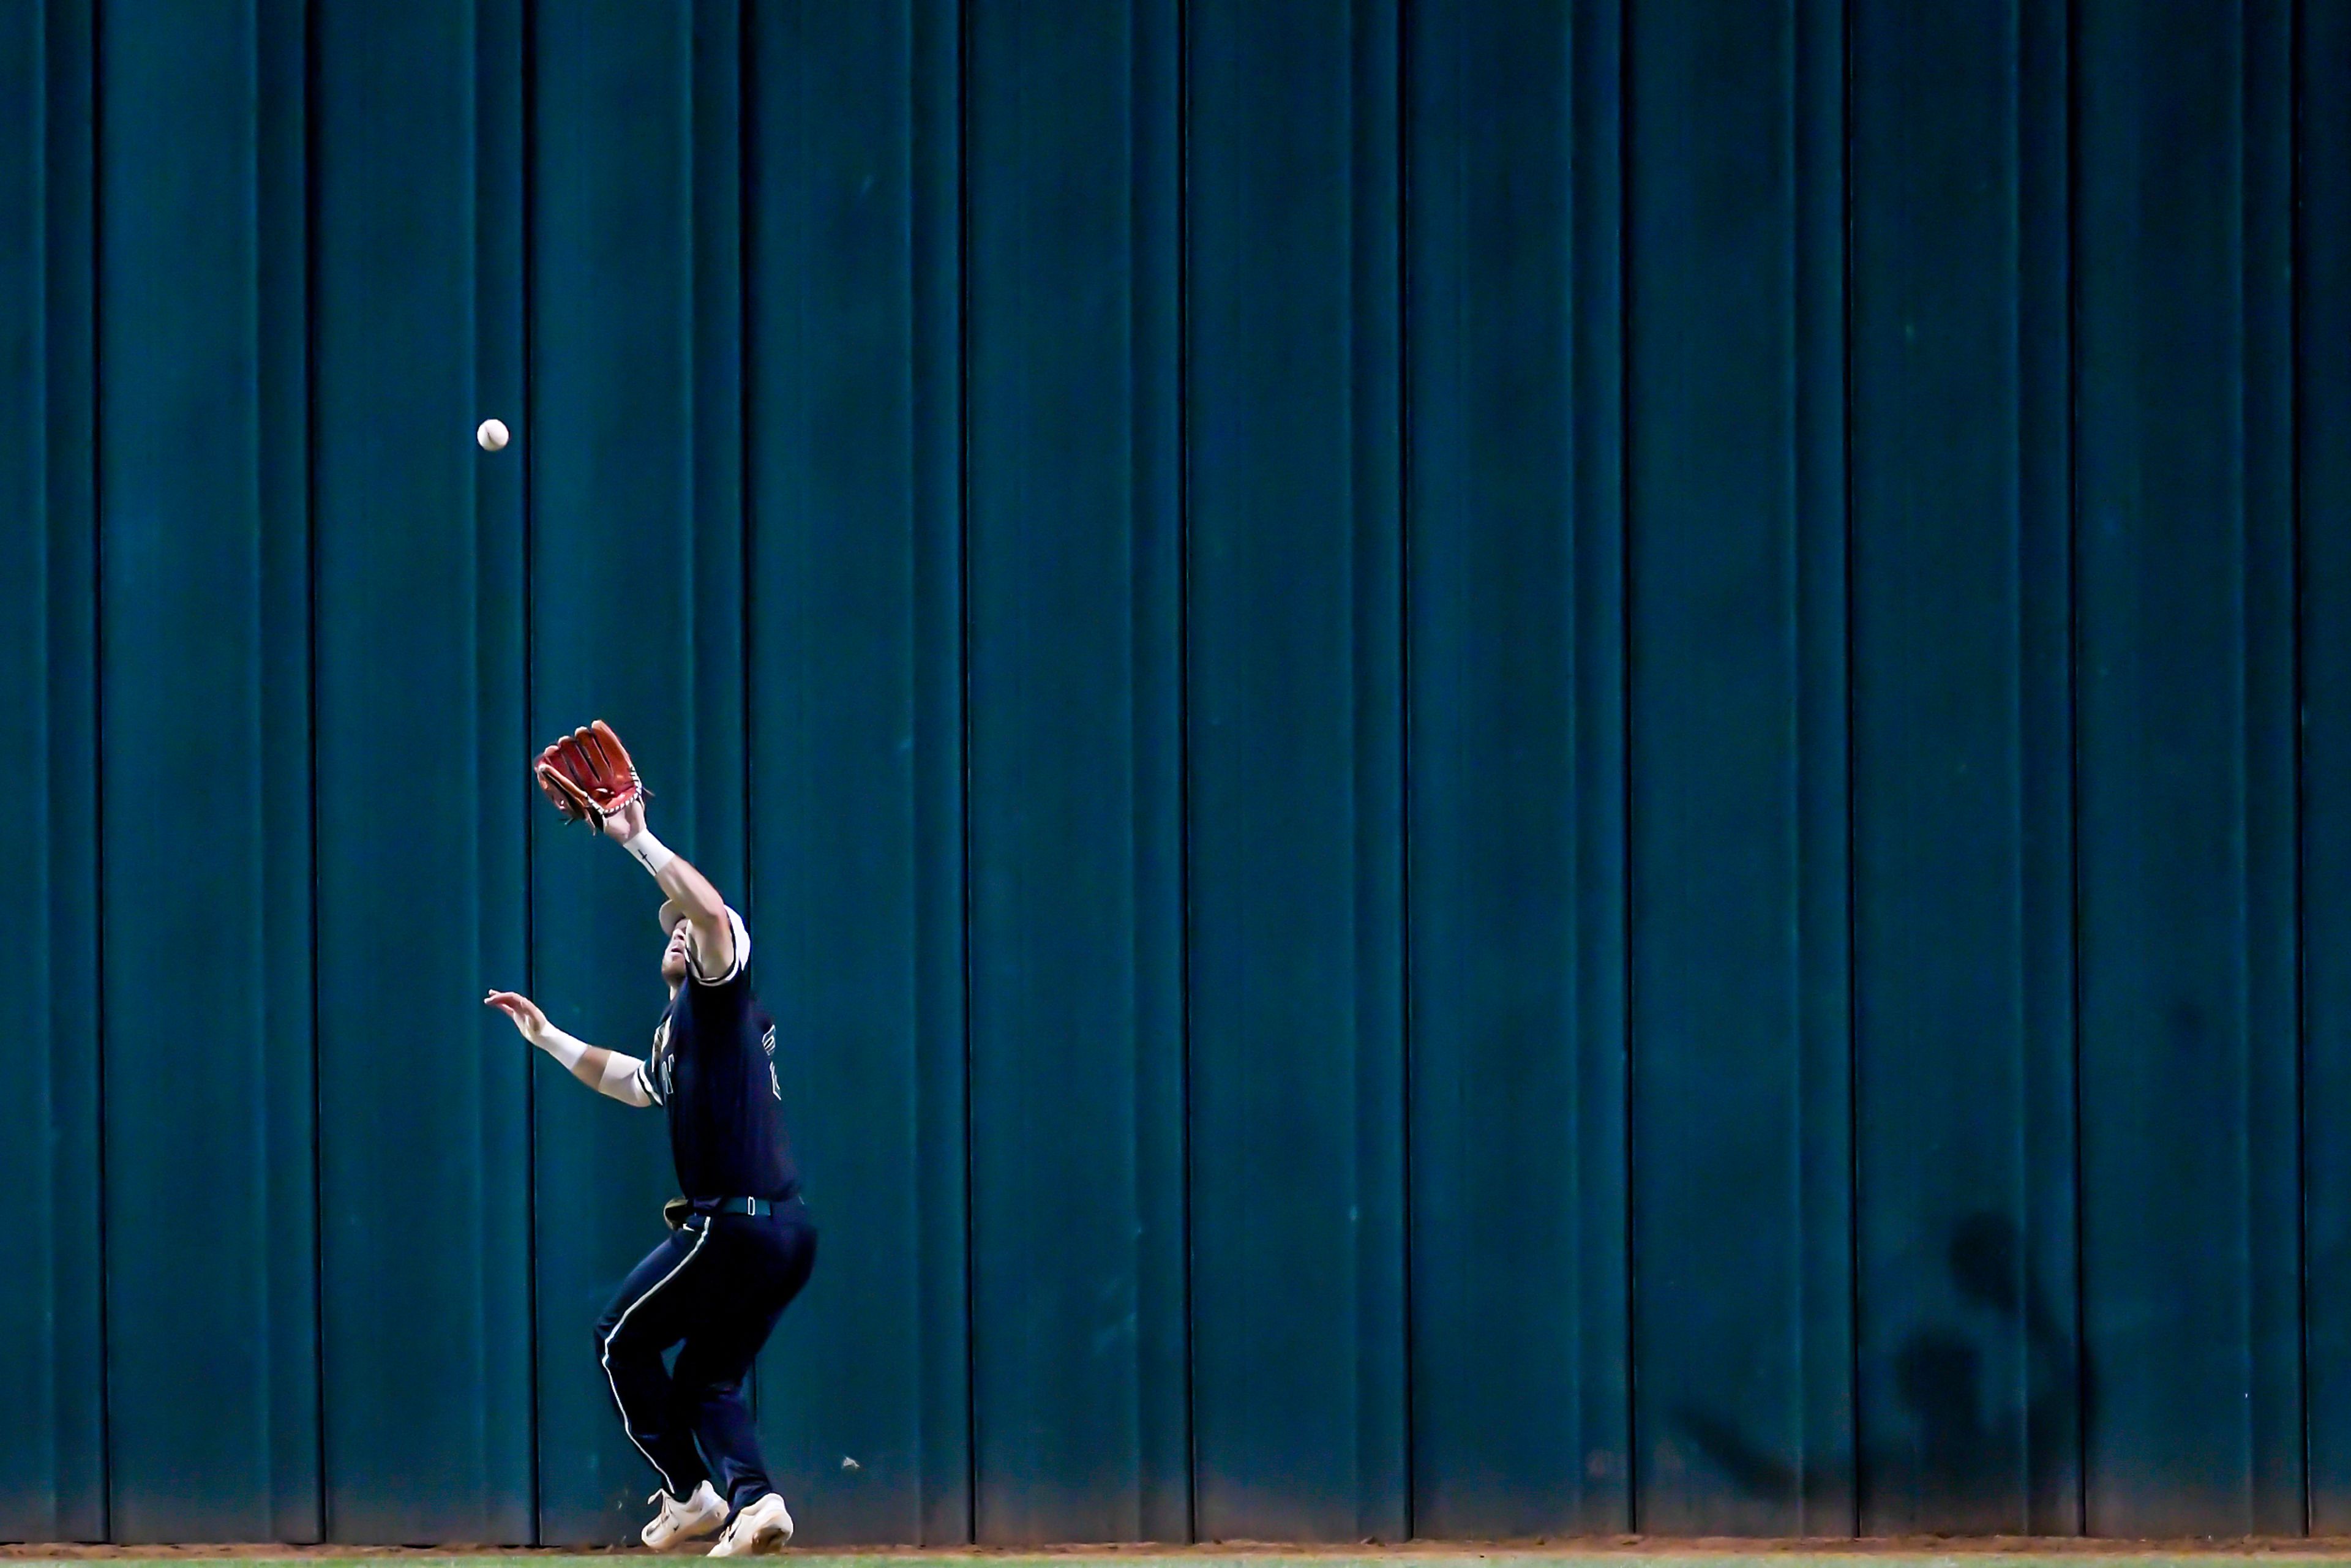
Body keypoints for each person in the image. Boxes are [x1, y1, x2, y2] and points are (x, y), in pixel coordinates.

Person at [486, 724, 812, 1556]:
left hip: (731, 1224)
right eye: (665, 924)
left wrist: (636, 837)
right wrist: (551, 1036)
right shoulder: (686, 1030)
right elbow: (631, 1081)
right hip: (781, 1231)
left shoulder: (719, 992)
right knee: (706, 1380)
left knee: (615, 1336)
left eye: (689, 926)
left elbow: (707, 912)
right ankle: (757, 1500)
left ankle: (687, 1493)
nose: (676, 928)